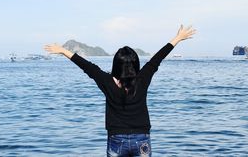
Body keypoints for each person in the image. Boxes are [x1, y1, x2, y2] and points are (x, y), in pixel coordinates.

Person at [44, 24, 196, 157]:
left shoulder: (106, 81)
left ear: (116, 65)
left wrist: (63, 51)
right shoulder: (143, 78)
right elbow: (157, 58)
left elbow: (86, 66)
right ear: (135, 64)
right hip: (141, 138)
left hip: (116, 139)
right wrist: (178, 38)